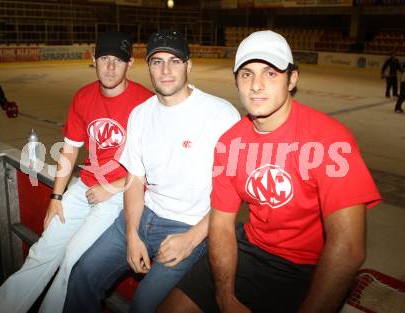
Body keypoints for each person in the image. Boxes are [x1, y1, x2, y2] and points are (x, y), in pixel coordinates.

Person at [158, 30, 381, 313]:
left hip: (309, 266)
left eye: (271, 73)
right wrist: (225, 297)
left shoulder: (331, 140)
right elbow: (222, 225)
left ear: (293, 79)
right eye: (246, 74)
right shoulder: (230, 143)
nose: (256, 85)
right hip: (252, 250)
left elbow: (348, 248)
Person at [62, 30, 240, 313]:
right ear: (148, 67)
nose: (166, 70)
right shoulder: (141, 114)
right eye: (157, 61)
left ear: (189, 66)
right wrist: (132, 234)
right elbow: (134, 182)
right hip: (141, 216)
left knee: (144, 306)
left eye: (175, 61)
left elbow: (232, 195)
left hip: (189, 226)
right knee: (82, 274)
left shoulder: (220, 115)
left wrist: (191, 239)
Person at [0, 31, 153, 313]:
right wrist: (56, 196)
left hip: (124, 192)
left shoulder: (146, 103)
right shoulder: (84, 97)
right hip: (86, 185)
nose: (110, 66)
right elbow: (70, 150)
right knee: (43, 250)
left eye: (118, 60)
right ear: (93, 60)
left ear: (130, 63)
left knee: (73, 259)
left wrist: (111, 187)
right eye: (104, 58)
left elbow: (155, 165)